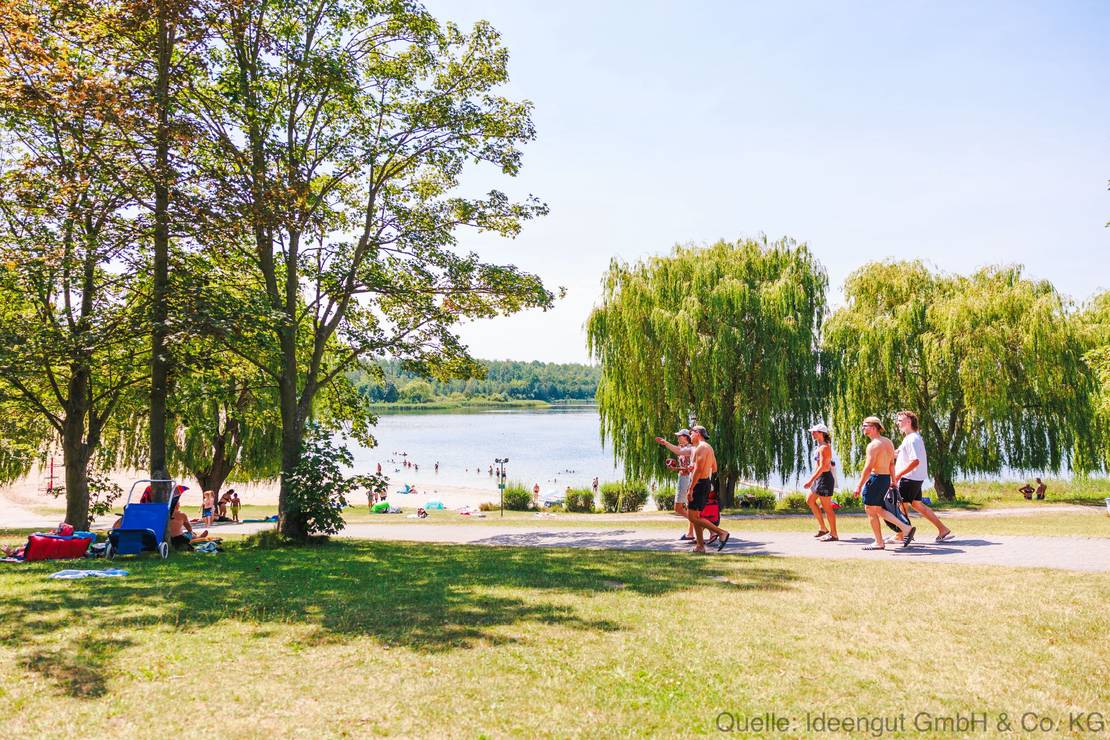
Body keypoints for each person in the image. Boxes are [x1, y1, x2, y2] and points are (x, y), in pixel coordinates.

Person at [889, 410, 953, 544]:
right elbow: (898, 453)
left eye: (900, 421)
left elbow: (915, 461)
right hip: (915, 478)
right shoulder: (911, 438)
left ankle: (901, 534)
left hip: (909, 478)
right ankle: (943, 529)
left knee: (902, 506)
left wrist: (899, 475)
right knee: (917, 505)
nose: (897, 423)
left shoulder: (912, 439)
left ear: (908, 422)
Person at [854, 416, 915, 550]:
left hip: (876, 479)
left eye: (865, 426)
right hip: (885, 479)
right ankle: (906, 528)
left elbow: (868, 468)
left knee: (870, 509)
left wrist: (858, 486)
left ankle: (879, 542)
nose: (863, 428)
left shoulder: (872, 445)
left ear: (874, 427)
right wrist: (893, 480)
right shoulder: (888, 442)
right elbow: (891, 464)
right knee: (878, 509)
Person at [686, 425, 731, 552]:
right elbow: (714, 468)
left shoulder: (701, 447)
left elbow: (699, 470)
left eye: (691, 433)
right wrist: (694, 467)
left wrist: (690, 489)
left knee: (692, 517)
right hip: (705, 483)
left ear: (697, 433)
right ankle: (700, 546)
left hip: (699, 484)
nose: (690, 436)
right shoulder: (709, 448)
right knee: (696, 516)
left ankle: (721, 533)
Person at [654, 429, 695, 540]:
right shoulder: (683, 448)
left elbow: (690, 468)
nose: (677, 437)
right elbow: (684, 465)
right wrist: (676, 467)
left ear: (686, 437)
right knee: (688, 507)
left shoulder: (690, 448)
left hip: (686, 479)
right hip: (683, 478)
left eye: (679, 436)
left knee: (678, 508)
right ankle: (691, 532)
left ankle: (697, 522)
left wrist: (665, 443)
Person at [802, 423, 839, 542]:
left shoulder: (824, 448)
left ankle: (834, 534)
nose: (812, 434)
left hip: (824, 479)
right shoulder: (820, 447)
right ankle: (823, 528)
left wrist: (810, 480)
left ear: (821, 433)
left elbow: (823, 467)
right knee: (810, 500)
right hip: (819, 478)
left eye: (814, 432)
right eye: (812, 432)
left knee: (827, 508)